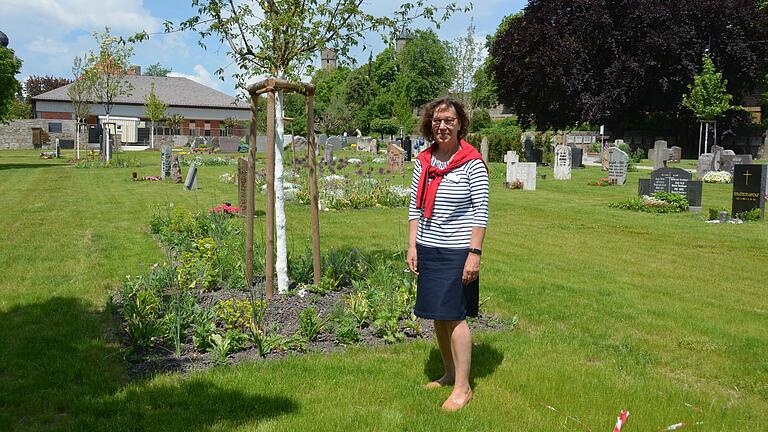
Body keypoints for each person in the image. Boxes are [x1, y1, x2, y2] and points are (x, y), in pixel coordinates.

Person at [407, 96, 489, 411]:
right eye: (437, 121)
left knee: (454, 317)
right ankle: (450, 373)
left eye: (449, 120)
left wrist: (474, 253)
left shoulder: (471, 161)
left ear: (459, 124)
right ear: (430, 124)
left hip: (457, 251)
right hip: (428, 248)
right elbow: (414, 207)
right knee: (437, 318)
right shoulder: (424, 161)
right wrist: (413, 245)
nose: (442, 126)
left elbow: (480, 212)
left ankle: (463, 388)